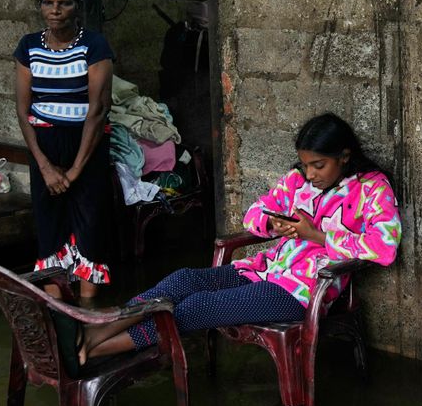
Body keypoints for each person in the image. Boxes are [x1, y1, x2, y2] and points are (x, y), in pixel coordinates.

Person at [78, 113, 400, 360]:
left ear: (344, 156)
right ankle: (98, 332)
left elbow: (385, 248)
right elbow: (255, 212)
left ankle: (97, 350)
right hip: (264, 271)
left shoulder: (371, 188)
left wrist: (316, 235)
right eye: (305, 165)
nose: (310, 174)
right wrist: (273, 224)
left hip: (301, 291)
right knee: (182, 280)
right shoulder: (298, 180)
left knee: (194, 308)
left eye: (319, 165)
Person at [13, 0, 116, 301]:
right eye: (48, 3)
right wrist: (45, 166)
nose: (55, 10)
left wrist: (73, 171)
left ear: (77, 7)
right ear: (41, 7)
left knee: (90, 225)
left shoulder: (94, 45)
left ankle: (87, 309)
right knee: (49, 227)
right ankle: (56, 309)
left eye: (64, 3)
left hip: (87, 146)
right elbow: (22, 109)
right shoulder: (28, 47)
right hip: (45, 147)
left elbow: (98, 109)